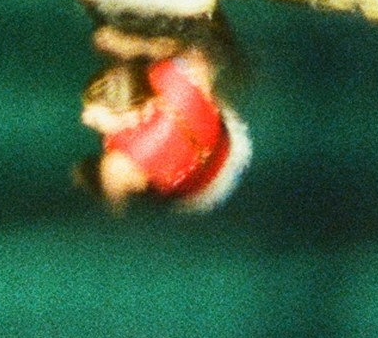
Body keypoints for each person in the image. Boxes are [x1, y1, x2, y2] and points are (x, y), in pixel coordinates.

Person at [79, 16, 250, 212]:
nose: (83, 119)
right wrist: (135, 46)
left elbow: (115, 205)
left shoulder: (120, 162)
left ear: (128, 117)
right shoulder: (172, 78)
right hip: (229, 144)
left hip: (201, 190)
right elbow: (198, 52)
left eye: (96, 120)